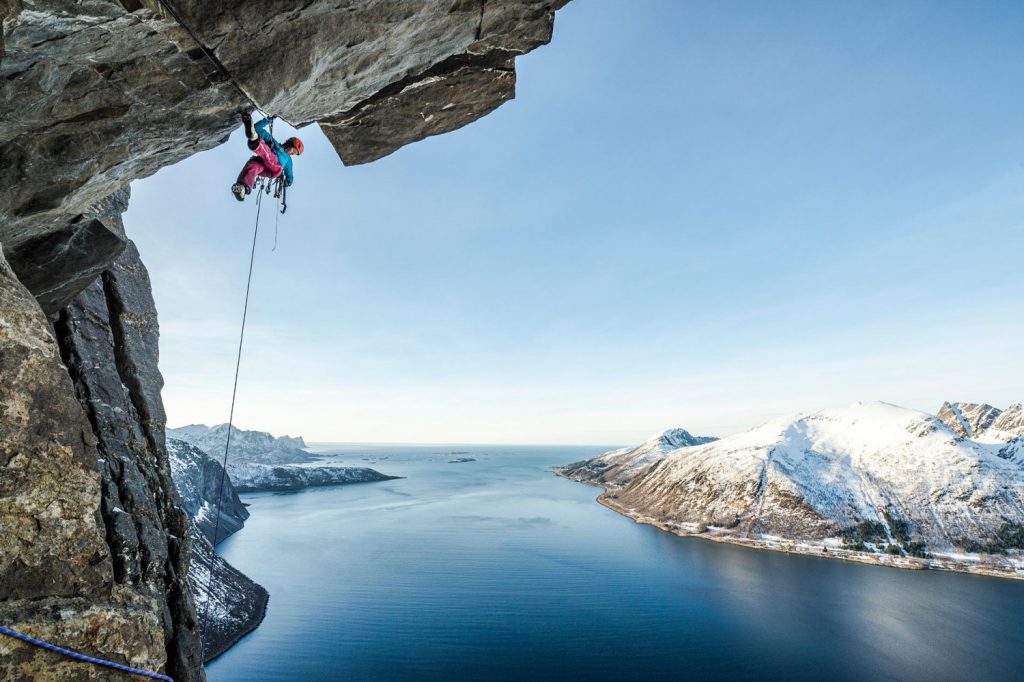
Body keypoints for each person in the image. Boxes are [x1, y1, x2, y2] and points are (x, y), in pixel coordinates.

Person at [231, 112, 303, 201]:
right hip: (264, 164)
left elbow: (290, 175)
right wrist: (268, 120)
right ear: (290, 144)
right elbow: (256, 128)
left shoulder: (288, 159)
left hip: (276, 167)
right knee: (253, 164)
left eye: (295, 153)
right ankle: (243, 188)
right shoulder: (273, 142)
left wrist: (288, 182)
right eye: (294, 150)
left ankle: (255, 141)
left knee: (268, 155)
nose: (292, 153)